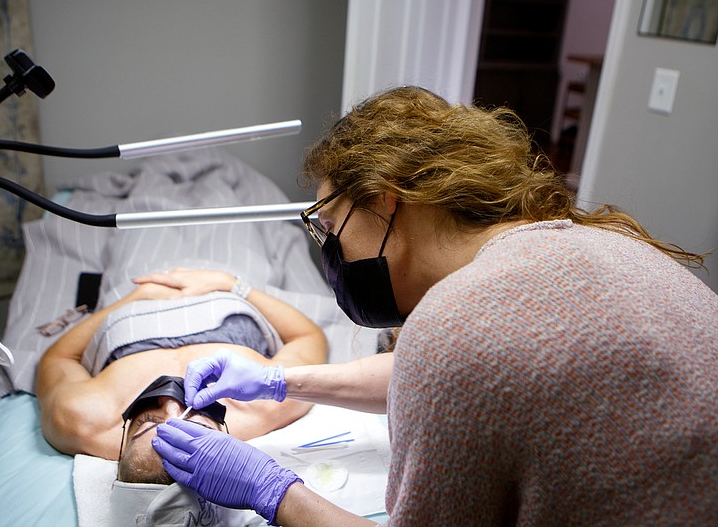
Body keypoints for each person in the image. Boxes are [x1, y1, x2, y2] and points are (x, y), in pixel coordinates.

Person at [150, 86, 718, 526]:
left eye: (330, 227)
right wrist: (278, 381)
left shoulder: (456, 327)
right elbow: (473, 379)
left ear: (383, 197)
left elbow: (454, 362)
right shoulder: (594, 243)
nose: (332, 255)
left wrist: (271, 492)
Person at [36, 267, 327, 466]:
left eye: (149, 423)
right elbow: (306, 336)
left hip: (133, 311)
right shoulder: (267, 404)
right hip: (225, 299)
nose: (173, 405)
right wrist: (233, 284)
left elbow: (58, 359)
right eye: (196, 422)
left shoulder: (84, 423)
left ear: (121, 447)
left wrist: (134, 298)